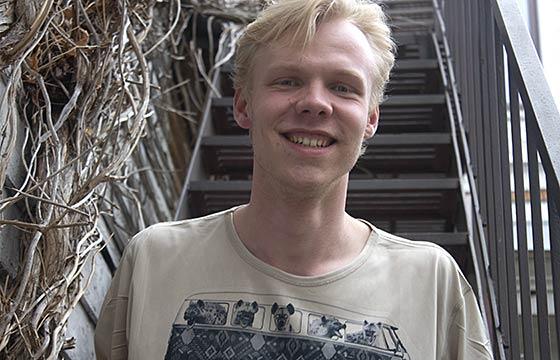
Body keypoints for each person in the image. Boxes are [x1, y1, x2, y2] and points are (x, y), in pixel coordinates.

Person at [95, 0, 494, 359]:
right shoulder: (153, 262)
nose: (315, 103)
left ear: (370, 118)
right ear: (243, 105)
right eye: (287, 80)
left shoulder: (434, 285)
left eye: (343, 87)